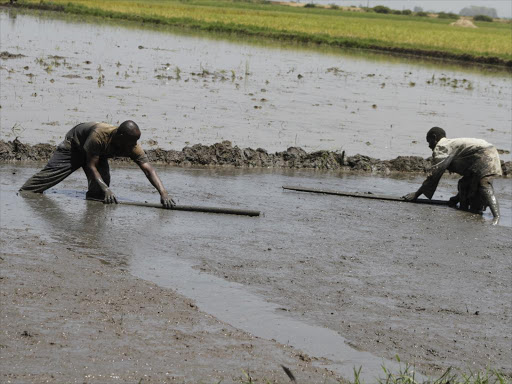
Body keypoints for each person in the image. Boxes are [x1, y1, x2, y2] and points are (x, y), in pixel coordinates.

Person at [20, 120, 176, 208]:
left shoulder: (132, 144)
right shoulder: (99, 135)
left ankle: (92, 208)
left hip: (96, 154)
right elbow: (90, 165)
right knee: (45, 180)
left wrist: (163, 193)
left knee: (100, 192)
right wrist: (108, 189)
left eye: (136, 142)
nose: (134, 145)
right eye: (131, 142)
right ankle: (24, 193)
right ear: (119, 136)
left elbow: (148, 169)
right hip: (74, 146)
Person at [403, 127, 502, 224]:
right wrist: (455, 199)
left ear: (434, 137)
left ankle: (496, 217)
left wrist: (416, 194)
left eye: (429, 142)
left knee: (484, 184)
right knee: (464, 184)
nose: (429, 146)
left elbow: (434, 175)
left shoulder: (442, 147)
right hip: (484, 153)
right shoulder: (451, 145)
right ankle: (467, 210)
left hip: (485, 153)